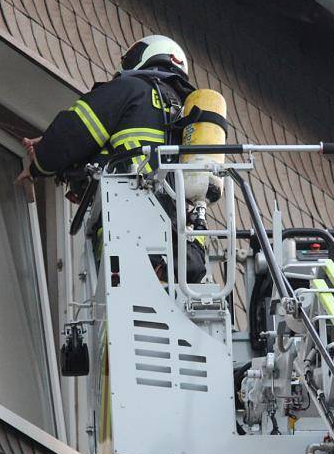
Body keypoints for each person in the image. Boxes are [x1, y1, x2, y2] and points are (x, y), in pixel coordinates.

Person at [17, 35, 206, 282]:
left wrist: (37, 166)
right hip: (175, 242)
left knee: (113, 291)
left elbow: (72, 131)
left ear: (144, 58)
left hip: (126, 223)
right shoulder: (188, 121)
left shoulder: (130, 89)